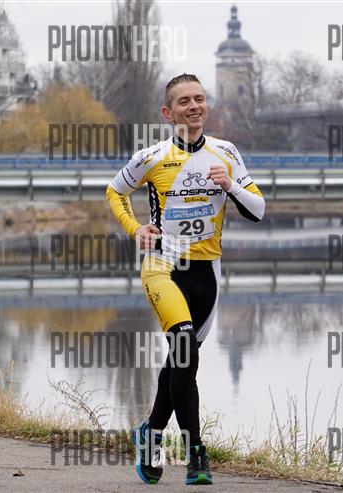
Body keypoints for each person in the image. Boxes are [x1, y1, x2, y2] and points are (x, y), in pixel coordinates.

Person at [105, 73, 265, 485]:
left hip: (207, 272)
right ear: (168, 112)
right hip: (163, 264)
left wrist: (230, 185)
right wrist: (135, 228)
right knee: (183, 345)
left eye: (199, 98)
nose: (193, 106)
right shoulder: (151, 157)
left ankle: (151, 431)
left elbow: (258, 209)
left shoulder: (226, 153)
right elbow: (114, 191)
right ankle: (196, 453)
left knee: (182, 360)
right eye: (184, 101)